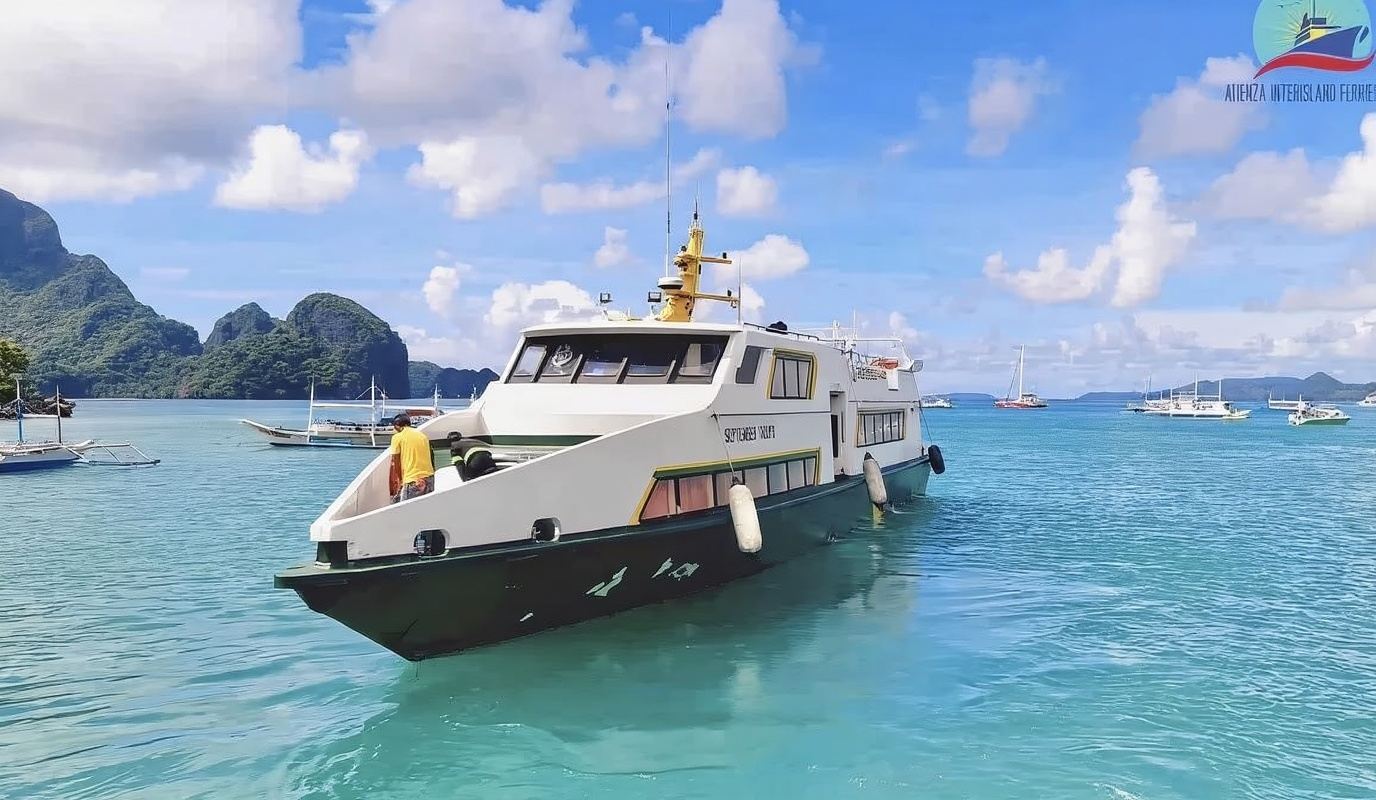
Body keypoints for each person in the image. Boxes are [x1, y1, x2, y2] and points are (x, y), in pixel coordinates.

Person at [389, 413, 434, 502]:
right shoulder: (422, 436)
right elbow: (431, 457)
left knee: (405, 508)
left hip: (413, 481)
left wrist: (401, 481)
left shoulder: (397, 437)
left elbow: (395, 461)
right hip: (429, 478)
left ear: (397, 426)